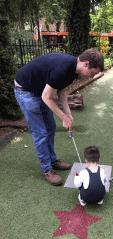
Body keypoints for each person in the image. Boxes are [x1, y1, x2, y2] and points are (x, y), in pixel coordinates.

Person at [14, 49, 104, 186]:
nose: (92, 76)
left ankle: (52, 160)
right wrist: (63, 117)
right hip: (26, 91)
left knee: (51, 126)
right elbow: (46, 97)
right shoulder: (62, 69)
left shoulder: (73, 70)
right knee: (40, 133)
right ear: (86, 64)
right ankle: (46, 169)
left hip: (40, 90)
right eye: (93, 72)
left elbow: (61, 91)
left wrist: (68, 114)